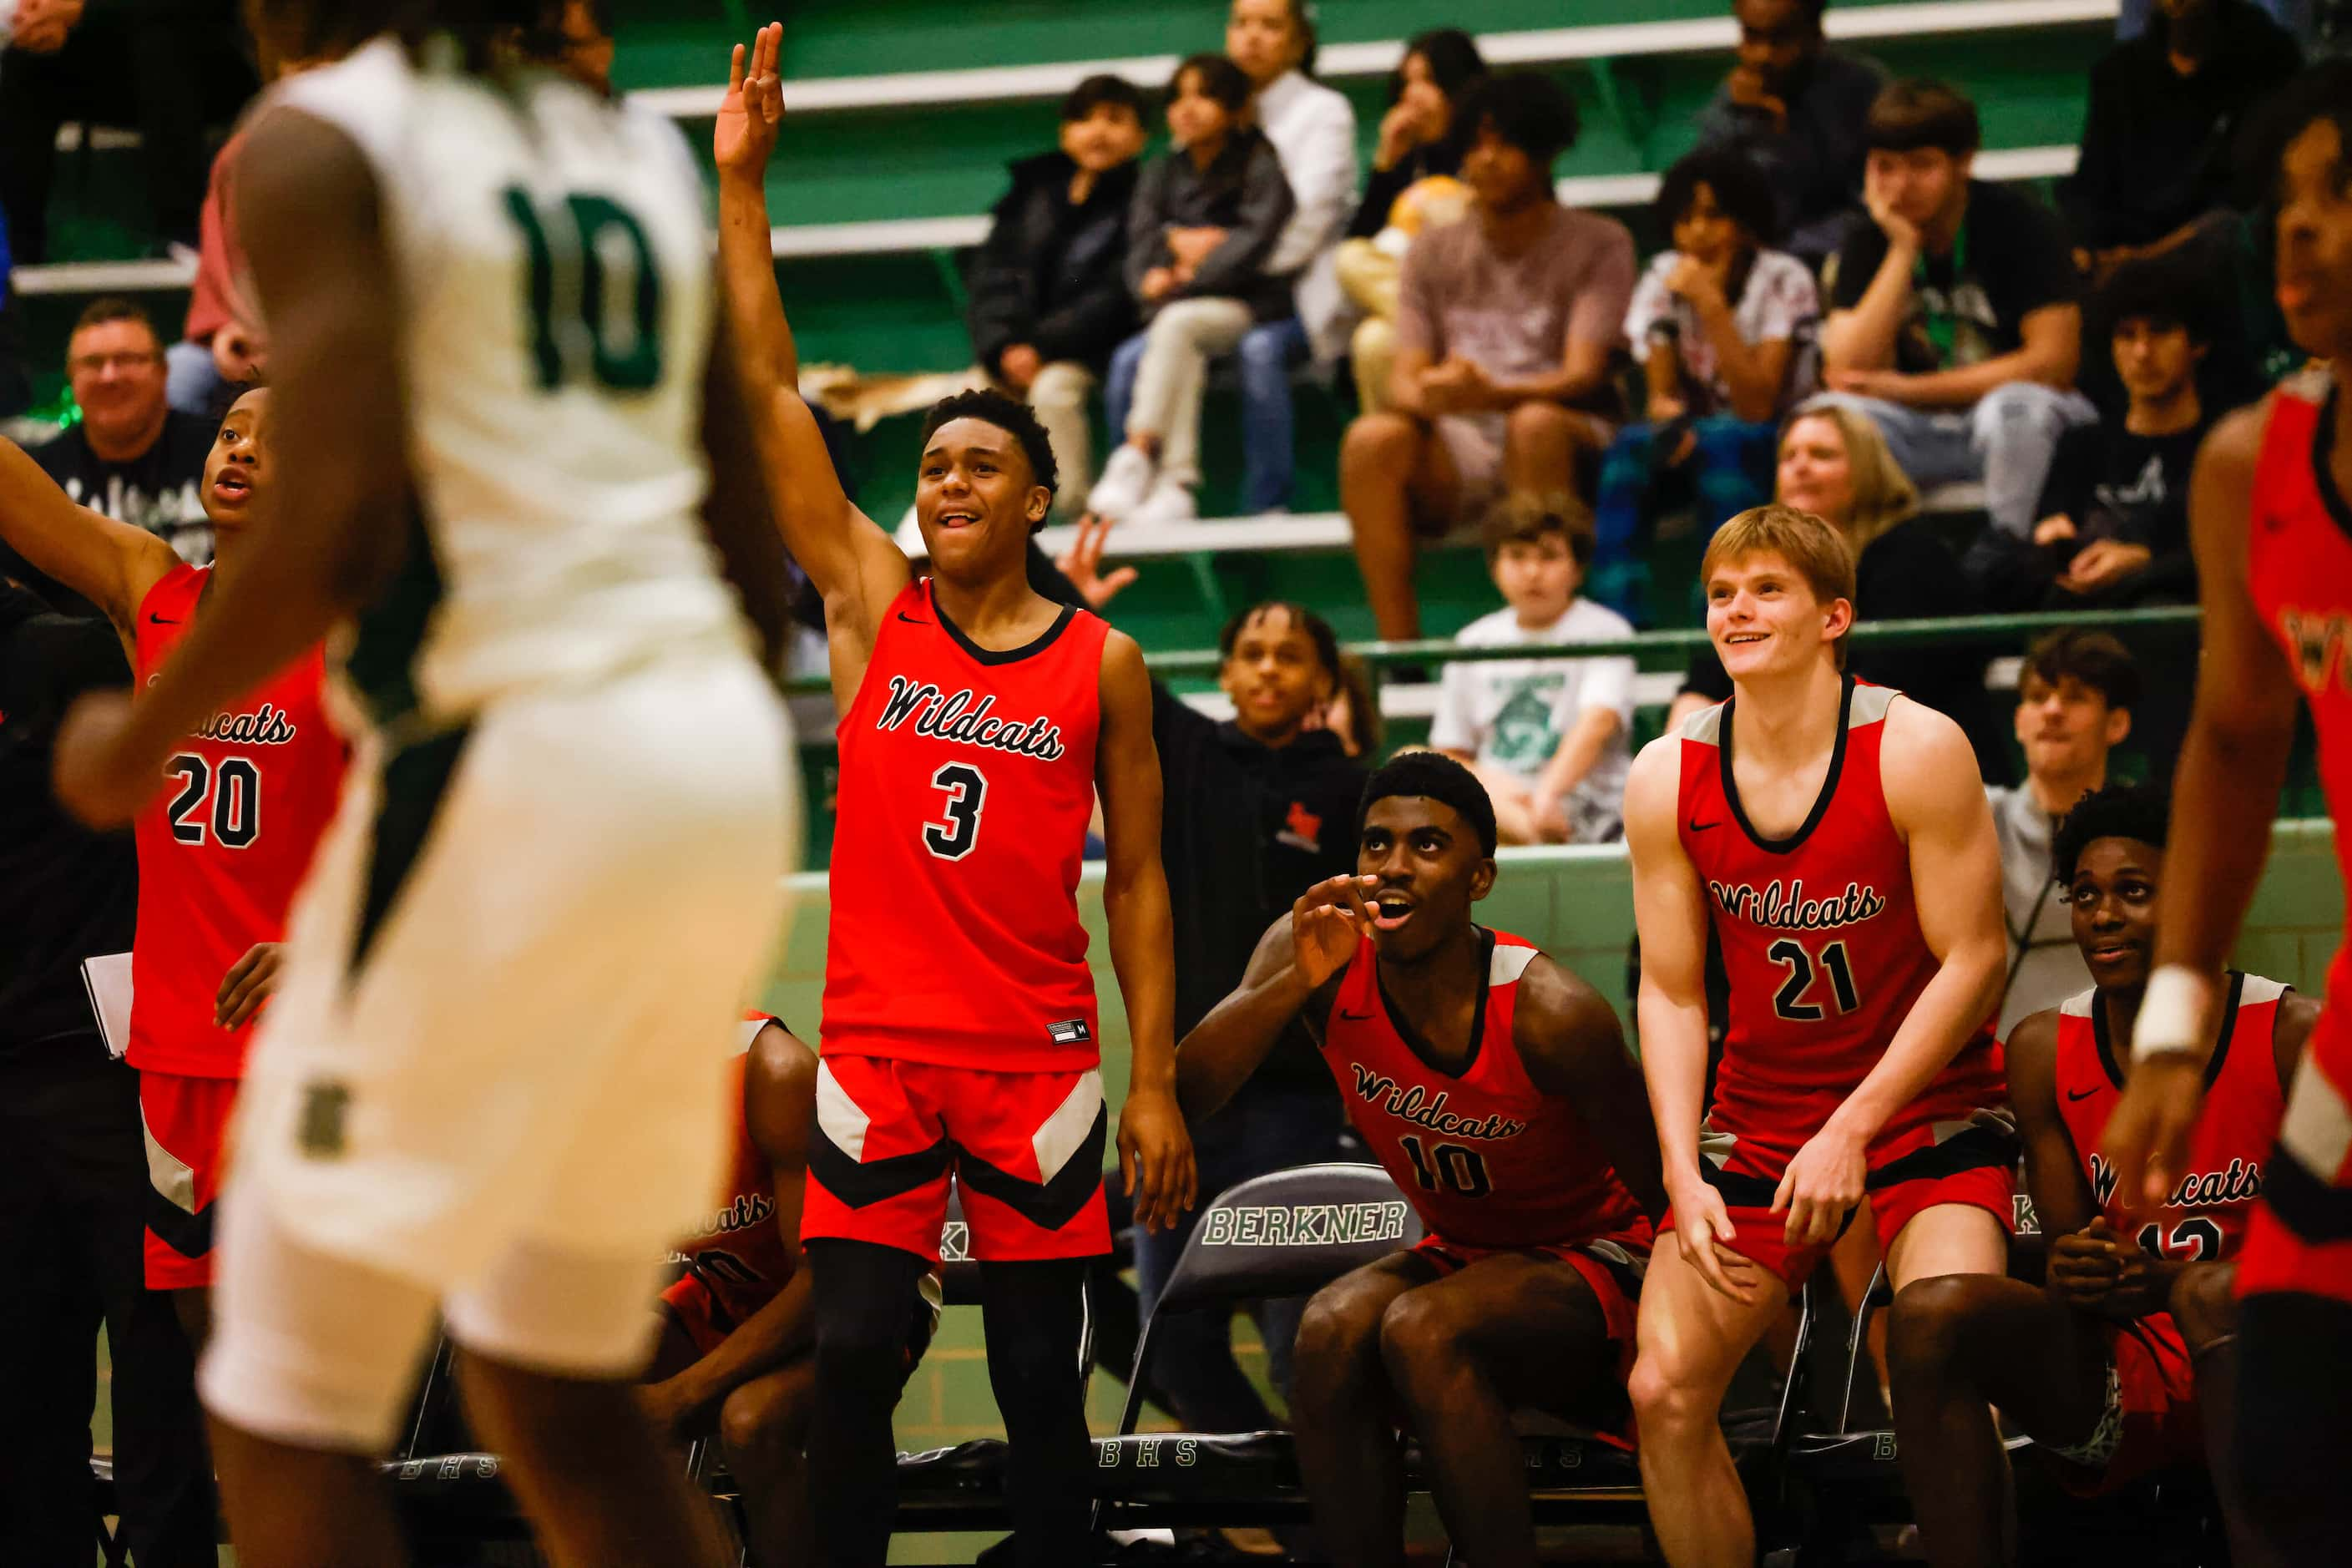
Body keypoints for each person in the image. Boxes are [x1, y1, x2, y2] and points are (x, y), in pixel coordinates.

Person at [53, 3, 807, 1565]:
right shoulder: (623, 163)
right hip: (675, 766)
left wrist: (143, 731)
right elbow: (743, 529)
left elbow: (330, 512)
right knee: (550, 1392)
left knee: (276, 1403)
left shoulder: (330, 147)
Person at [711, 30, 1194, 1567]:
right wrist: (742, 184)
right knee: (854, 1351)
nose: (947, 486)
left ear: (1038, 496)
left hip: (1037, 1059)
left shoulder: (1101, 660)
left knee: (1046, 1385)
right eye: (931, 467)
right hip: (879, 1054)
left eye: (980, 466)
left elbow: (1138, 882)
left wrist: (1159, 1075)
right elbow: (766, 389)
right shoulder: (871, 600)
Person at [1621, 503, 2012, 1568]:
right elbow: (1670, 991)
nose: (1736, 610)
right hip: (1759, 1122)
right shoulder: (1666, 774)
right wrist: (1679, 1169)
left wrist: (1855, 1125)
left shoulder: (1918, 745)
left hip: (1921, 1110)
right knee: (1662, 1388)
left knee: (1933, 1360)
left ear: (1835, 615)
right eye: (1720, 593)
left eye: (1767, 589)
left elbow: (1978, 956)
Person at [1176, 752, 1667, 1568]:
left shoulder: (1551, 1013)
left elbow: (1663, 1194)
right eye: (1375, 845)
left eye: (1428, 847)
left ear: (1479, 879)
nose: (1393, 866)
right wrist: (1292, 980)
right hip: (1464, 1255)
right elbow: (1190, 1093)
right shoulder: (1319, 957)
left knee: (1422, 1326)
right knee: (1329, 1327)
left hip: (1605, 1261)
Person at [2101, 60, 2352, 1567]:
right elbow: (2233, 745)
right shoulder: (2249, 462)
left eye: (2339, 195)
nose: (2300, 234)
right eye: (2286, 205)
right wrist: (2178, 1023)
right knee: (2280, 1445)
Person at [1887, 781, 2314, 1568]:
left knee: (2210, 1291)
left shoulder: (2293, 1038)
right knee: (1928, 1313)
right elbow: (2066, 1250)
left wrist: (2164, 1284)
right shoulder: (2044, 1049)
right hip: (2126, 1373)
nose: (2103, 917)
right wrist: (2076, 1267)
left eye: (2133, 892)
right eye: (2084, 895)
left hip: (2281, 1376)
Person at [1, 388, 345, 1344]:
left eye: (274, 444)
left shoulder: (352, 628)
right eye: (230, 432)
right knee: (214, 1355)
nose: (239, 451)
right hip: (174, 1051)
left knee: (310, 1357)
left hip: (307, 1049)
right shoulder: (152, 592)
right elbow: (26, 502)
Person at [1058, 523, 1366, 1431]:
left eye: (1291, 657)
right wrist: (1074, 600)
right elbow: (1096, 662)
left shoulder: (1354, 790)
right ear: (1225, 673)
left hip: (1299, 1110)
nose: (1269, 670)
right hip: (1185, 1106)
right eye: (1252, 655)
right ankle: (1269, 1515)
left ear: (1322, 682)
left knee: (1294, 1343)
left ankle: (1320, 1526)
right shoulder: (1186, 756)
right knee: (1172, 1338)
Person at [0, 581, 217, 1567]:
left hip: (107, 1069)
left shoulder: (73, 651)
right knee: (23, 1383)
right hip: (8, 1093)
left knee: (151, 1367)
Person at [1340, 72, 1636, 643]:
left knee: (1533, 426)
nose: (1487, 160)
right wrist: (1432, 392)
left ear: (1545, 150)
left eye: (1505, 143)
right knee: (1370, 440)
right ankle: (1400, 655)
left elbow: (1582, 374)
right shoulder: (1431, 249)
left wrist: (1490, 395)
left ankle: (1552, 644)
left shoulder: (1600, 242)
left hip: (1568, 430)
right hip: (1462, 439)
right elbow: (1403, 378)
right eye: (1473, 145)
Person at [639, 1016, 939, 1568]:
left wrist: (681, 1395)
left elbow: (821, 1283)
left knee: (752, 1423)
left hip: (857, 1300)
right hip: (733, 1295)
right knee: (585, 1390)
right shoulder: (603, 1092)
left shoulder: (774, 1075)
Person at [1815, 79, 2099, 546]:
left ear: (1964, 162)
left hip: (2031, 419)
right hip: (1924, 429)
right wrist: (1903, 250)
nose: (1900, 187)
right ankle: (1845, 581)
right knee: (1828, 420)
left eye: (1921, 166)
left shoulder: (2021, 223)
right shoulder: (1871, 238)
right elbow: (1846, 371)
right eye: (1885, 168)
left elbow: (2052, 364)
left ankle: (2011, 562)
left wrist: (1909, 390)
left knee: (2013, 410)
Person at [1667, 406, 2005, 777]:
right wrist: (1676, 771)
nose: (1801, 466)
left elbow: (1885, 692)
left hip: (1923, 772)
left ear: (1867, 471)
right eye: (1789, 456)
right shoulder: (1754, 573)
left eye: (1821, 454)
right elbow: (1701, 685)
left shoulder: (1914, 556)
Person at [1593, 148, 1821, 618]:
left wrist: (1712, 305)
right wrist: (1674, 422)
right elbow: (1661, 397)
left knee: (1727, 439)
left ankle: (1717, 611)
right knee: (1629, 448)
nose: (1697, 232)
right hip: (1699, 436)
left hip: (1779, 434)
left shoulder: (1784, 278)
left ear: (1746, 221)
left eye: (1714, 217)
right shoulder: (1663, 274)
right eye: (1685, 219)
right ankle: (1616, 616)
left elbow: (1757, 404)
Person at [1085, 53, 1295, 528]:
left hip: (1246, 305)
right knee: (1166, 341)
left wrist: (1188, 275)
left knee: (1176, 326)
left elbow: (1254, 240)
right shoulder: (1161, 172)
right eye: (1179, 96)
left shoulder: (1261, 164)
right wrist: (1154, 273)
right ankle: (1175, 486)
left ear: (1236, 108)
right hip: (1177, 311)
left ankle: (1137, 454)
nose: (1188, 107)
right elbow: (1141, 241)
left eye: (1204, 95)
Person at [1979, 265, 2213, 612]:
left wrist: (2144, 562)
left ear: (2198, 344)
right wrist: (2054, 546)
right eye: (2127, 335)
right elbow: (2051, 531)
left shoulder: (2217, 447)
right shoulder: (2082, 444)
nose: (2142, 353)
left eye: (2160, 333)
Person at [965, 76, 1147, 517]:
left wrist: (1041, 347)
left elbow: (1115, 294)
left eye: (1115, 120)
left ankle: (1067, 515)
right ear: (1065, 132)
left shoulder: (1145, 197)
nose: (1099, 131)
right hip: (1020, 350)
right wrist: (1003, 346)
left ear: (1142, 137)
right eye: (1085, 119)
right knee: (970, 397)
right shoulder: (1030, 194)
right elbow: (993, 277)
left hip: (1098, 353)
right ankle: (976, 518)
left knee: (1054, 391)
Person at [1432, 493, 1636, 847]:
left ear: (1577, 568)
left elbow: (1599, 721)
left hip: (1585, 808)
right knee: (1410, 763)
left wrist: (1547, 793)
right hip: (1504, 804)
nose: (1532, 572)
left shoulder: (1607, 630)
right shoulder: (1472, 641)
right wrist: (1503, 791)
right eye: (1516, 556)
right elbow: (1452, 751)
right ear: (1494, 567)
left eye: (1549, 556)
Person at [1225, 0, 1358, 512]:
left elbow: (1307, 222)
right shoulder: (1215, 110)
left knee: (1259, 350)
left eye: (1270, 25)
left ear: (1301, 41)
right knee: (1140, 349)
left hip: (1302, 294)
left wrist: (1223, 265)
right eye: (1241, 23)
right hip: (1227, 288)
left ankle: (1268, 502)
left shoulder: (1324, 110)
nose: (1252, 37)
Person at [0, 0, 255, 264]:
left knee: (160, 38)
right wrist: (46, 21)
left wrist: (83, 13)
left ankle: (184, 241)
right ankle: (23, 261)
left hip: (210, 59)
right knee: (24, 62)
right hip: (125, 55)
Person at [2067, 0, 2302, 283]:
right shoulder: (2119, 73)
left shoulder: (2269, 60)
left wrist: (2145, 258)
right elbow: (2090, 185)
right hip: (2124, 267)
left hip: (2225, 266)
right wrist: (2087, 249)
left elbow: (2250, 198)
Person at [8, 300, 220, 609]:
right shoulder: (37, 475)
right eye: (93, 363)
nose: (109, 376)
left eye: (127, 360)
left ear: (163, 371)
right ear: (72, 377)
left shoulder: (221, 452)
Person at [1987, 631, 2141, 1036]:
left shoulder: (2150, 834)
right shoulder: (1975, 818)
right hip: (1996, 1081)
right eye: (2038, 697)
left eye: (2075, 697)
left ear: (2117, 723)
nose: (2053, 711)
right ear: (2019, 721)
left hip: (2114, 1067)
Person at [1336, 28, 1486, 417]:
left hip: (1476, 285)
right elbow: (1362, 238)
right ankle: (1398, 455)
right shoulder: (1407, 158)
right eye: (1407, 83)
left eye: (1429, 82)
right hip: (1411, 288)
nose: (1412, 95)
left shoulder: (1489, 149)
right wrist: (1385, 164)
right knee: (1370, 336)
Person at [1693, 0, 1886, 266]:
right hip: (1752, 270)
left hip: (1841, 266)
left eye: (1780, 39)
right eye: (1752, 36)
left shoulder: (1860, 91)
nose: (1762, 55)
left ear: (1815, 35)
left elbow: (1874, 208)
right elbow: (1707, 204)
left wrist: (1779, 258)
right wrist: (1755, 127)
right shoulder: (1730, 105)